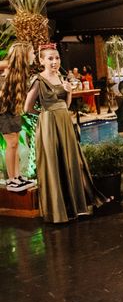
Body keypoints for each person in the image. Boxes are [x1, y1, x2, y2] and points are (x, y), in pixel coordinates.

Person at [23, 43, 107, 223]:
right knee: (54, 162)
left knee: (71, 161)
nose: (54, 61)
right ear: (41, 60)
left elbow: (66, 105)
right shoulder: (38, 80)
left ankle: (75, 205)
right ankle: (58, 210)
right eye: (50, 58)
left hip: (65, 121)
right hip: (49, 124)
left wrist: (68, 93)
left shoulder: (61, 78)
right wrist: (45, 115)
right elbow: (27, 107)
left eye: (57, 58)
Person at [0, 42, 36, 192]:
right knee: (12, 143)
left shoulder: (21, 72)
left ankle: (17, 176)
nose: (34, 55)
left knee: (14, 144)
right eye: (32, 52)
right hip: (3, 111)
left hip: (13, 110)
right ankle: (11, 180)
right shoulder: (7, 69)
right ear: (23, 54)